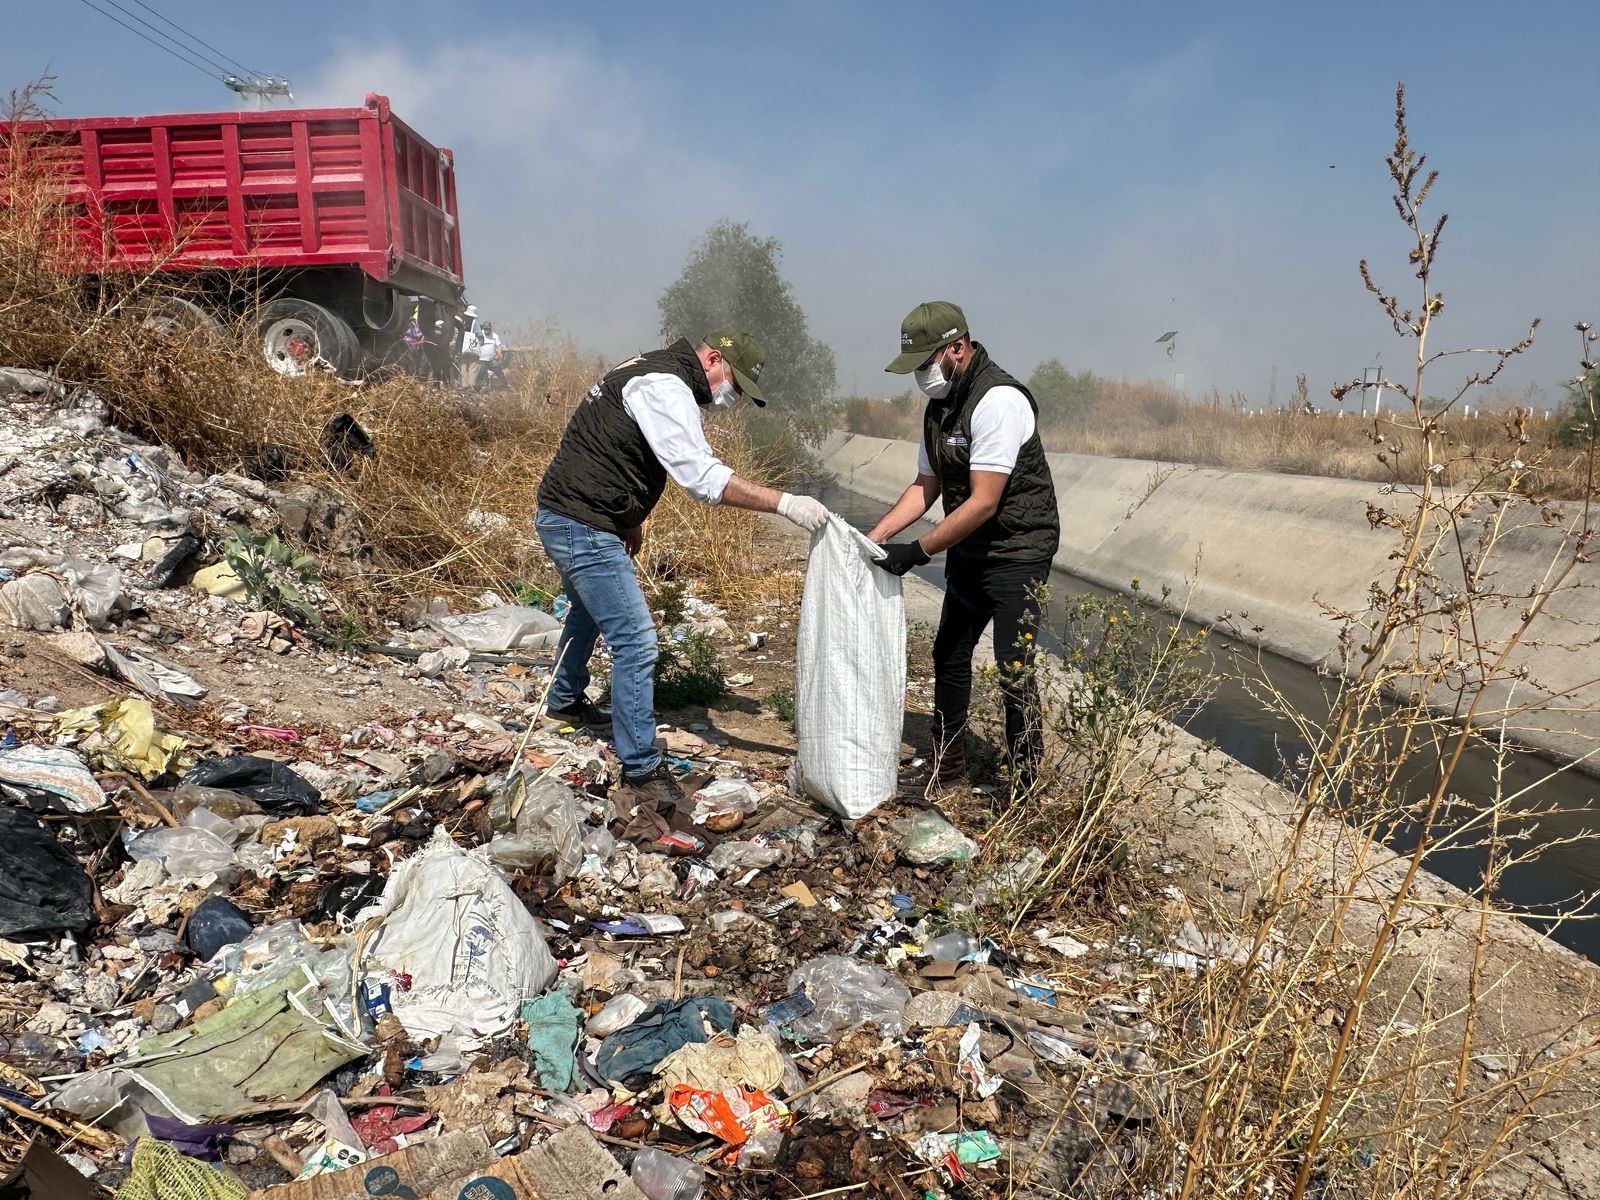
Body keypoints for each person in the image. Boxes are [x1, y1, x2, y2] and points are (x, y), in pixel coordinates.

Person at [536, 330, 830, 807]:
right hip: (580, 521)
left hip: (576, 513)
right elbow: (702, 477)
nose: (730, 400)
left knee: (589, 611)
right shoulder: (666, 386)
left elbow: (618, 448)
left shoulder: (649, 368)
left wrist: (629, 519)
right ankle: (641, 769)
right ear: (713, 359)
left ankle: (565, 699)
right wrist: (785, 503)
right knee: (636, 639)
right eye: (734, 386)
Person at [867, 301, 1060, 791]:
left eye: (926, 363)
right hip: (971, 548)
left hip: (1018, 548)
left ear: (956, 347)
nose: (921, 378)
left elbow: (983, 503)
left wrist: (917, 552)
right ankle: (946, 766)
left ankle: (1025, 784)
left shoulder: (998, 400)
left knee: (1012, 668)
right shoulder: (940, 407)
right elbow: (924, 486)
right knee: (949, 652)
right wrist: (878, 536)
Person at [475, 321, 505, 390]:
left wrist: (499, 353)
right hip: (481, 359)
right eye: (485, 328)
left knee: (498, 369)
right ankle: (478, 387)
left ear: (491, 328)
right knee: (480, 374)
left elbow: (498, 346)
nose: (487, 330)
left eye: (488, 329)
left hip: (491, 360)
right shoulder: (480, 334)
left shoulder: (495, 336)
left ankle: (504, 384)